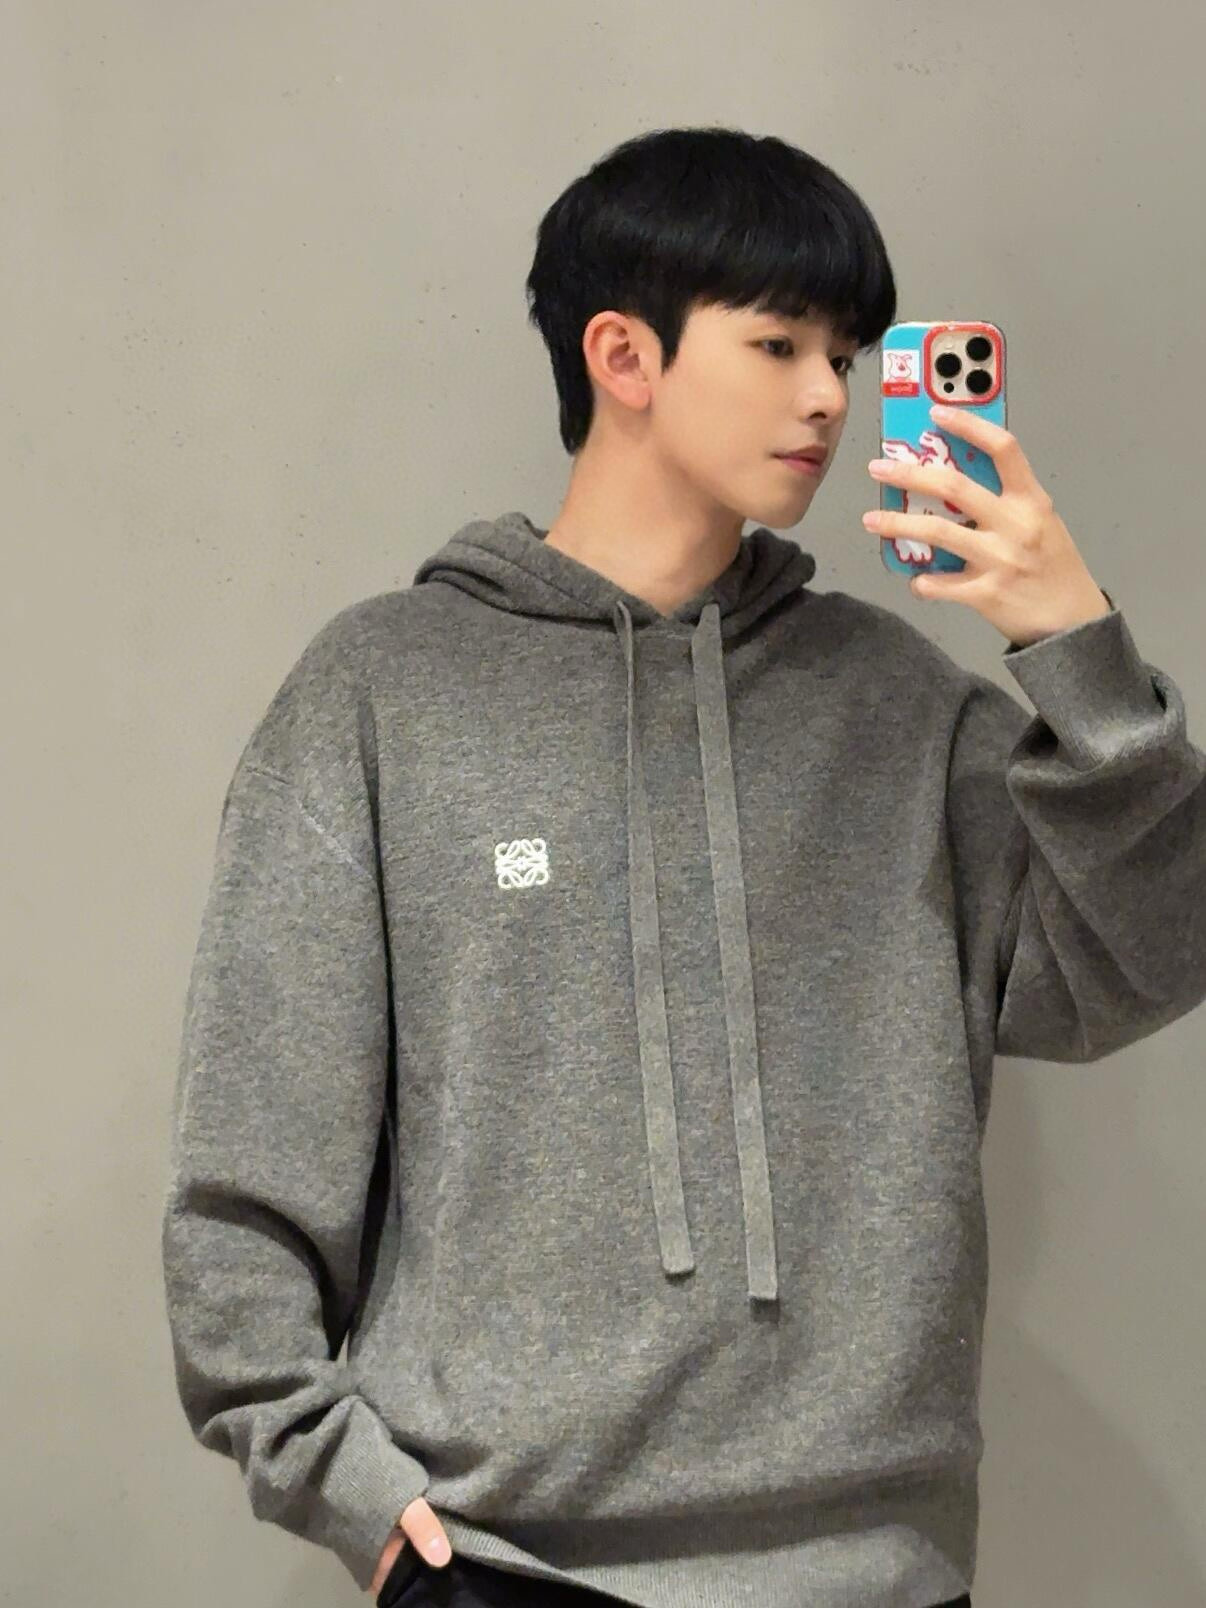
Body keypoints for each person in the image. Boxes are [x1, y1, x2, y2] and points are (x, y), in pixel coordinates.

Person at [161, 125, 1206, 1608]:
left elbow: (1142, 962)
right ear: (622, 356)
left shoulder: (898, 705)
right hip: (501, 1564)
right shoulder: (383, 695)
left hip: (877, 1572)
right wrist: (352, 1496)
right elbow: (252, 1157)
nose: (828, 395)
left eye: (844, 353)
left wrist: (1074, 654)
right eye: (779, 344)